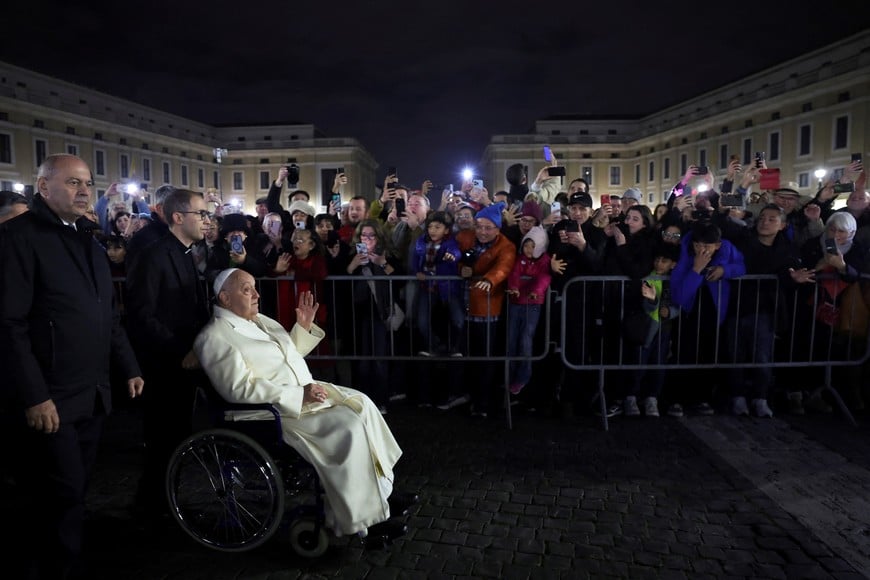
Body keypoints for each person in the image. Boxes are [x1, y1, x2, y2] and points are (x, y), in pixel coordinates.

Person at [0, 154, 143, 579]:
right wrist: (35, 395)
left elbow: (107, 314)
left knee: (75, 491)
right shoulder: (18, 238)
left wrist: (129, 366)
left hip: (91, 394)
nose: (84, 191)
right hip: (51, 396)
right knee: (56, 494)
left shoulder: (88, 238)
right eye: (73, 182)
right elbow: (9, 324)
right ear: (43, 188)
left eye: (87, 183)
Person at [194, 270, 408, 543]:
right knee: (348, 427)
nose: (258, 295)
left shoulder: (260, 321)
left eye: (255, 287)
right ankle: (361, 523)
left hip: (301, 396)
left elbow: (284, 357)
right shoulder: (214, 336)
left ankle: (381, 491)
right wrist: (297, 394)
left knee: (362, 405)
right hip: (274, 412)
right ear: (224, 297)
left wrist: (303, 328)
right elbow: (237, 388)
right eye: (247, 290)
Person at [124, 188, 212, 515]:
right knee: (163, 440)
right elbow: (142, 314)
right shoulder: (155, 255)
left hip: (184, 362)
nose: (206, 221)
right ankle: (153, 507)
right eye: (200, 214)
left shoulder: (186, 252)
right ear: (178, 217)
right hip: (164, 364)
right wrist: (180, 351)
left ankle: (165, 502)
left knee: (177, 436)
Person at [456, 202, 517, 417]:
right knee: (468, 354)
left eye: (488, 227)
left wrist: (491, 280)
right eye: (479, 226)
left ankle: (484, 401)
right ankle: (470, 396)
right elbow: (454, 253)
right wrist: (458, 266)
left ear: (498, 229)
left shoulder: (506, 245)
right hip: (464, 305)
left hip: (488, 309)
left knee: (486, 357)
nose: (482, 231)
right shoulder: (465, 237)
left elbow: (505, 266)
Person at [506, 226, 551, 396]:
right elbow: (514, 274)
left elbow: (544, 277)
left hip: (532, 304)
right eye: (526, 245)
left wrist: (536, 291)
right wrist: (514, 287)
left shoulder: (544, 261)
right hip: (516, 302)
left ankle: (522, 377)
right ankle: (509, 376)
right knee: (511, 339)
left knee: (525, 339)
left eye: (533, 246)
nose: (529, 249)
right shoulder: (519, 259)